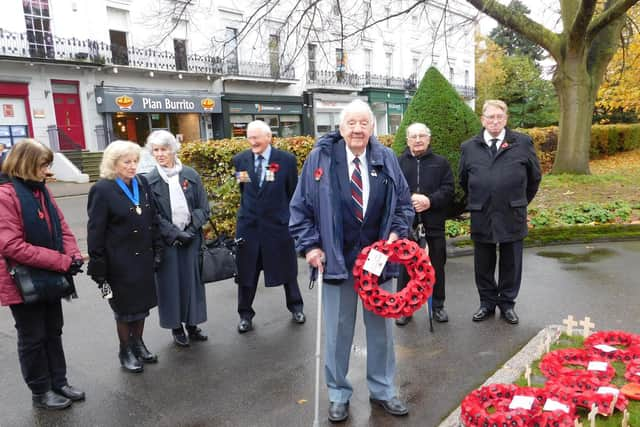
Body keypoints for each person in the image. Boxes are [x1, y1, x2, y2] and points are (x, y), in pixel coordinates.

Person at [289, 100, 414, 423]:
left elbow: (403, 204)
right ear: (341, 128)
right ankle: (338, 394)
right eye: (352, 123)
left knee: (381, 333)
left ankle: (383, 389)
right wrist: (311, 246)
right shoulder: (321, 158)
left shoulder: (385, 157)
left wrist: (398, 233)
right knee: (337, 333)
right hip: (336, 263)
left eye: (364, 123)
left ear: (372, 127)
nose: (358, 129)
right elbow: (300, 209)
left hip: (378, 263)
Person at [0, 139, 85, 410]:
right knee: (32, 337)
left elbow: (62, 227)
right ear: (26, 164)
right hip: (22, 282)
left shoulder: (41, 191)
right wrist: (61, 261)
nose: (47, 170)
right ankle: (41, 390)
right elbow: (11, 245)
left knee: (53, 331)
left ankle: (58, 382)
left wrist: (73, 255)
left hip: (48, 276)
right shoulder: (5, 195)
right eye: (42, 164)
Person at [458, 100, 541, 325]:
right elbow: (463, 180)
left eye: (499, 117)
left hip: (512, 212)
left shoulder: (522, 143)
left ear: (506, 119)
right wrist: (481, 197)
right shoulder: (469, 147)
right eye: (490, 117)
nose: (495, 121)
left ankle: (507, 304)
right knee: (483, 262)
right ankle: (486, 303)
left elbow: (534, 178)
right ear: (482, 119)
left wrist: (520, 201)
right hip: (481, 212)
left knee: (511, 262)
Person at [87, 140, 161, 373]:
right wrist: (98, 265)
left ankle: (138, 343)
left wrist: (158, 249)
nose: (132, 166)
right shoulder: (102, 189)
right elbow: (95, 231)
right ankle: (125, 349)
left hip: (143, 258)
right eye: (127, 162)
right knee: (125, 310)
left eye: (135, 161)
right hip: (119, 262)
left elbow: (153, 219)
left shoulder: (142, 182)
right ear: (113, 163)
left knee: (142, 306)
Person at [232, 120, 305, 333]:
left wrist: (289, 220)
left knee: (287, 272)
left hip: (277, 228)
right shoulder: (240, 160)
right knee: (246, 275)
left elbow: (293, 194)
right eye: (249, 137)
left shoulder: (286, 160)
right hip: (249, 228)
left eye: (256, 137)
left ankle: (296, 307)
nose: (252, 141)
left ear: (268, 137)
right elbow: (244, 190)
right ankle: (245, 315)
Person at [146, 130, 210, 347]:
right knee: (170, 284)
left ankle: (192, 324)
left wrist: (191, 230)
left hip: (191, 238)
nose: (160, 154)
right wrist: (175, 234)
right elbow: (153, 215)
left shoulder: (191, 175)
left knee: (192, 282)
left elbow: (203, 207)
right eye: (156, 150)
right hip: (167, 242)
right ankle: (176, 327)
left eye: (164, 149)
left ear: (173, 150)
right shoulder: (149, 180)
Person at [395, 123, 454, 326]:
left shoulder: (441, 163)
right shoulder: (398, 162)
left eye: (422, 136)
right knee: (406, 269)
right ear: (407, 140)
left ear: (429, 139)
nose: (418, 140)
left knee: (436, 266)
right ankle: (405, 307)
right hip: (407, 225)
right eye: (414, 136)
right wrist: (410, 199)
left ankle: (438, 306)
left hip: (433, 223)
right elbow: (391, 190)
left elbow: (448, 190)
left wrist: (429, 200)